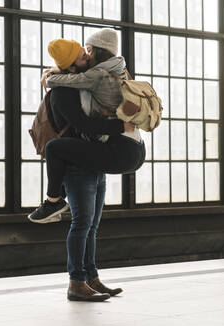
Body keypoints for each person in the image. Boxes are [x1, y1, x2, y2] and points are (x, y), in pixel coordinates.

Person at [28, 30, 143, 301]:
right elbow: (84, 125)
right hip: (77, 165)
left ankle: (91, 277)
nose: (86, 56)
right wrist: (120, 125)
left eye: (87, 51)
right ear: (72, 64)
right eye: (82, 55)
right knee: (81, 224)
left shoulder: (79, 82)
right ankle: (76, 282)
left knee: (91, 225)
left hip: (92, 157)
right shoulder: (64, 92)